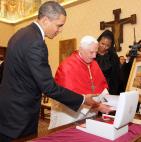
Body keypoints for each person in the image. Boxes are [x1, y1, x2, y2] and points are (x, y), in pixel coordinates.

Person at [0, 1, 100, 141]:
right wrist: (83, 99)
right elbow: (48, 87)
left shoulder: (19, 34)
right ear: (45, 20)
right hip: (20, 113)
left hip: (6, 108)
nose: (60, 30)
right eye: (59, 25)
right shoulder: (36, 42)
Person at [48, 35, 112, 129]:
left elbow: (101, 86)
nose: (94, 56)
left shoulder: (93, 63)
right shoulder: (67, 66)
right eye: (91, 52)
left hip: (89, 115)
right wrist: (97, 106)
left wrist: (104, 101)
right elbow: (69, 97)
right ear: (81, 50)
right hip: (70, 116)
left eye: (96, 52)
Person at [96, 30, 120, 95]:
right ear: (98, 41)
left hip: (109, 89)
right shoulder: (92, 53)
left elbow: (116, 76)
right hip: (93, 88)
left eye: (107, 45)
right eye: (102, 43)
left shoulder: (113, 56)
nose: (104, 47)